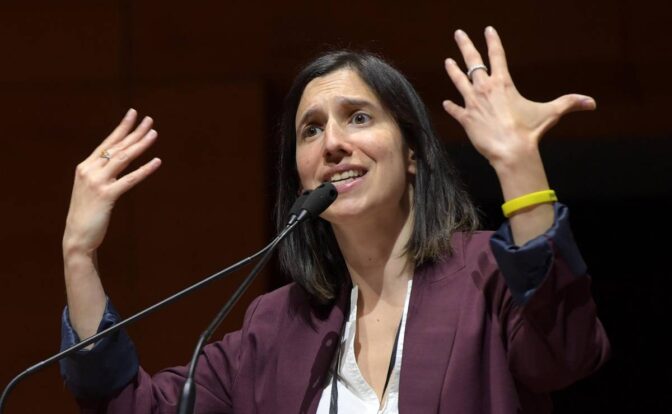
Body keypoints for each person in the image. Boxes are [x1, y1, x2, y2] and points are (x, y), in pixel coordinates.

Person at [59, 27, 610, 413]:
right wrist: (79, 255)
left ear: (412, 152)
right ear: (300, 177)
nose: (334, 144)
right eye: (311, 130)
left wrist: (517, 163)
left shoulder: (486, 275)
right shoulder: (277, 327)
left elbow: (567, 351)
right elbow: (134, 406)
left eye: (359, 117)